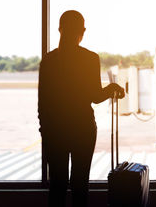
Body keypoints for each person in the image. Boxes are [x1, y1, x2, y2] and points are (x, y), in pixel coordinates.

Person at [38, 10, 124, 207]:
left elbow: (42, 103)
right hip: (83, 129)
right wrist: (112, 88)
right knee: (80, 185)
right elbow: (95, 96)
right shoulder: (89, 58)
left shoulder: (49, 61)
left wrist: (46, 132)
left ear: (60, 29)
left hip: (55, 132)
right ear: (82, 31)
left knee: (57, 187)